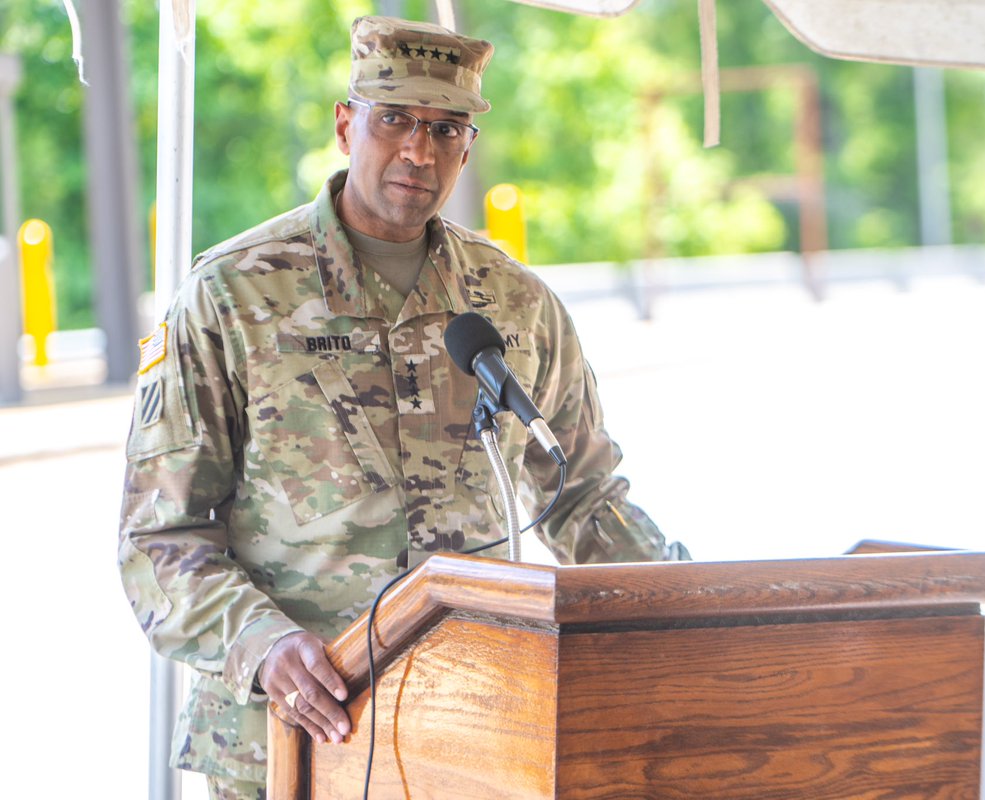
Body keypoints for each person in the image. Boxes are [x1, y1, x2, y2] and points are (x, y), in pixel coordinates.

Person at [118, 16, 688, 800]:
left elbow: (584, 496)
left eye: (446, 129)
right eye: (395, 120)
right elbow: (160, 537)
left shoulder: (513, 304)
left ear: (467, 148)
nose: (418, 152)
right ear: (347, 122)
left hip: (470, 731)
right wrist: (261, 642)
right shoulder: (234, 294)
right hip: (290, 739)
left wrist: (689, 605)